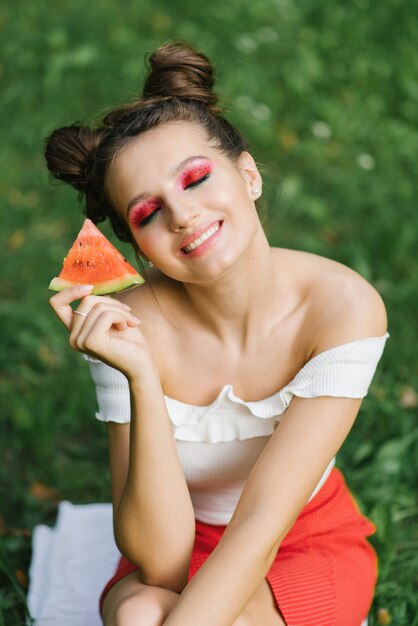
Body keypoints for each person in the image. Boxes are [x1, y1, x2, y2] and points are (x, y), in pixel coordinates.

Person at [45, 41, 389, 626]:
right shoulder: (125, 328)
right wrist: (140, 373)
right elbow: (159, 563)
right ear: (139, 248)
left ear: (249, 174)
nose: (181, 214)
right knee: (138, 611)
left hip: (301, 539)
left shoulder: (344, 308)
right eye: (147, 213)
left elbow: (260, 523)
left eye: (196, 179)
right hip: (181, 539)